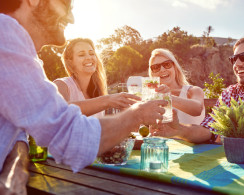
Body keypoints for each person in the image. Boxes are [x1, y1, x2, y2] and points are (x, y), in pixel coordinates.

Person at [0, 0, 166, 194]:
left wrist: (16, 163)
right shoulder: (5, 33)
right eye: (65, 4)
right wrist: (137, 114)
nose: (71, 17)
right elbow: (71, 137)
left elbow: (16, 128)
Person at [154, 36, 244, 148]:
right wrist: (179, 130)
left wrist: (227, 139)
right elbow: (208, 129)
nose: (237, 64)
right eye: (234, 59)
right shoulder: (230, 93)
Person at [54, 38, 139, 118]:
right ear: (70, 62)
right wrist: (107, 100)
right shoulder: (61, 85)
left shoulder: (97, 92)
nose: (89, 57)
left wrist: (126, 115)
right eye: (81, 55)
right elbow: (60, 111)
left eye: (92, 53)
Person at [149, 48, 205, 125]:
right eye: (156, 67)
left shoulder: (193, 90)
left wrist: (167, 97)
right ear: (153, 74)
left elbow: (197, 109)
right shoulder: (153, 98)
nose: (162, 70)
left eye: (167, 64)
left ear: (175, 67)